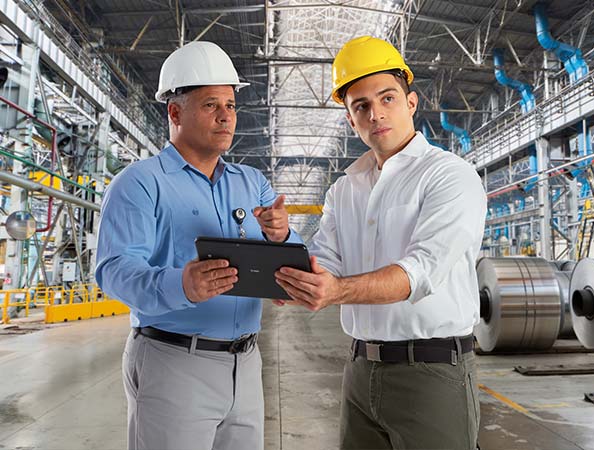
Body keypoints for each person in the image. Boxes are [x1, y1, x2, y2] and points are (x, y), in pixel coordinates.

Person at [274, 36, 487, 449]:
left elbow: (420, 272)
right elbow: (326, 259)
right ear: (351, 120)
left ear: (411, 102)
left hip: (430, 372)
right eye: (361, 106)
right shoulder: (345, 189)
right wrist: (290, 273)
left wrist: (336, 291)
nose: (376, 114)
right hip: (359, 370)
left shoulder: (449, 176)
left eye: (387, 98)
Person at [95, 41, 301, 450]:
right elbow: (114, 270)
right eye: (211, 105)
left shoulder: (251, 182)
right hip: (173, 361)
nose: (226, 116)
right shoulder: (140, 183)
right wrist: (180, 285)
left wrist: (282, 236)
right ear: (175, 112)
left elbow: (287, 261)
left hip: (247, 363)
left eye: (231, 104)